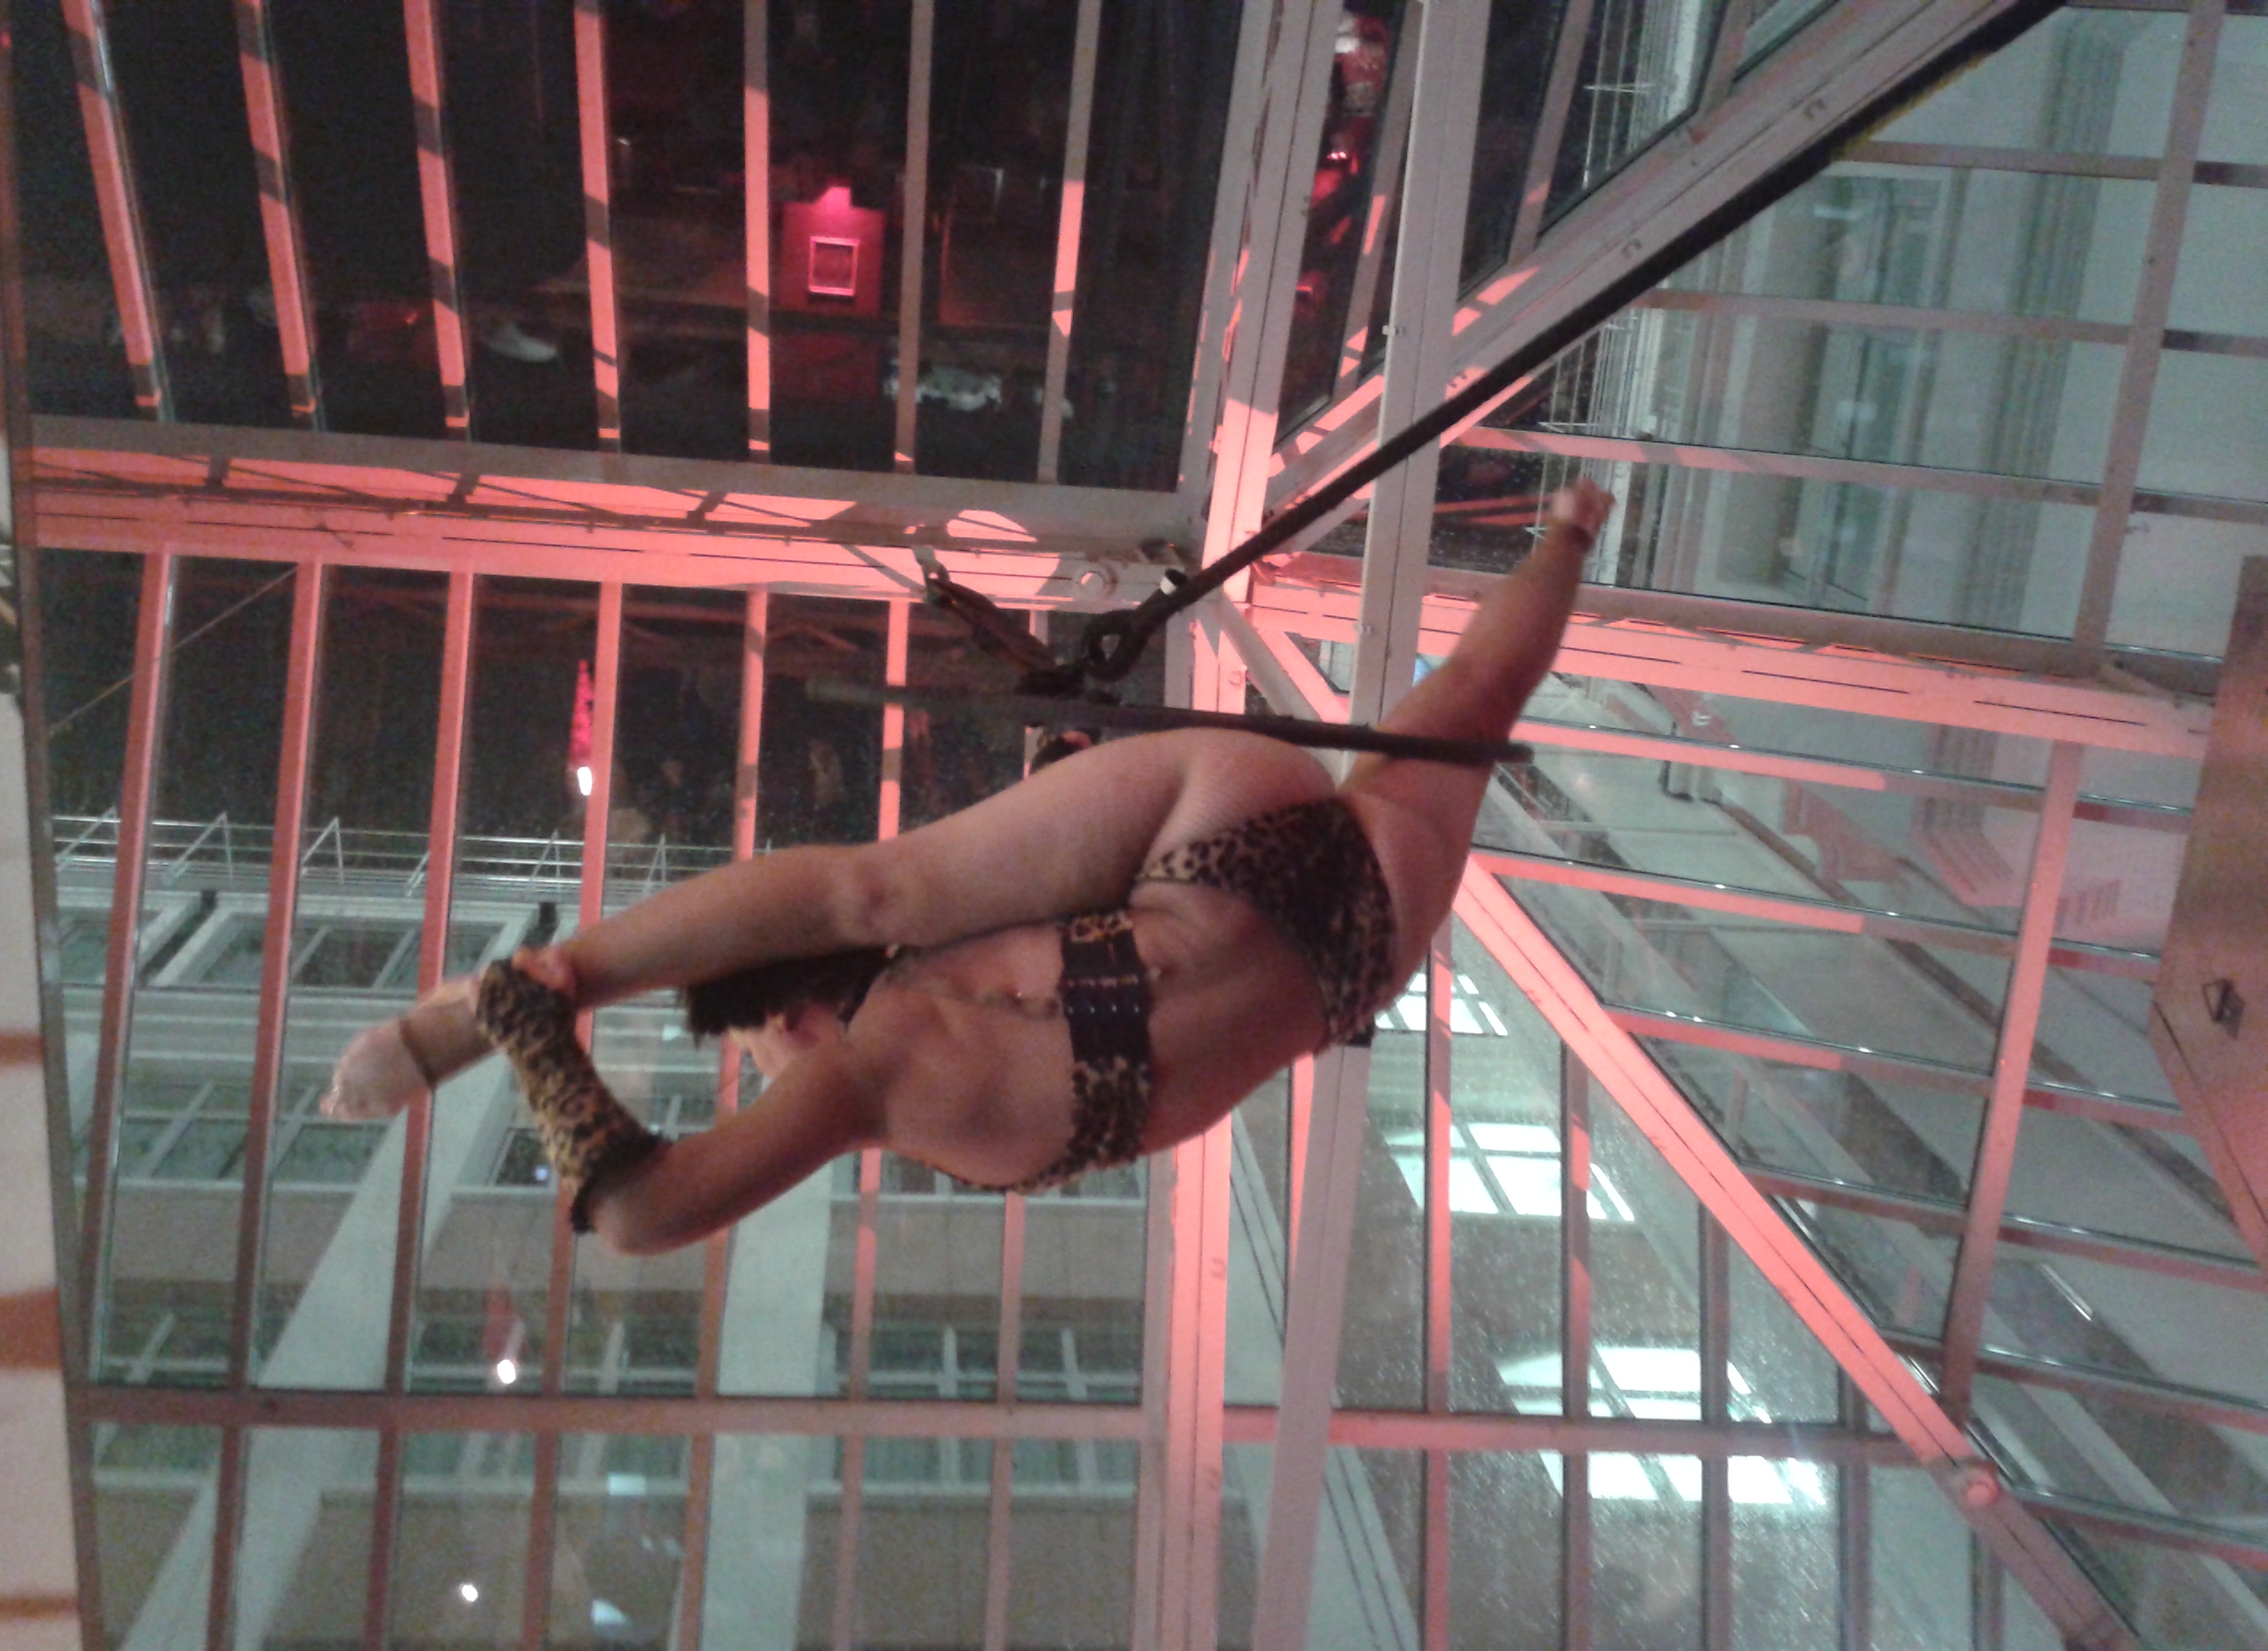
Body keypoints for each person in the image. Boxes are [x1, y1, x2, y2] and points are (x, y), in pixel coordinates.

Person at [326, 482, 1614, 1254]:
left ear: (803, 1012)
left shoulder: (904, 1097)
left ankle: (1571, 530)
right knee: (875, 885)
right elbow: (643, 1210)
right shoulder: (883, 1054)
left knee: (1476, 697)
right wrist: (514, 1019)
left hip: (1350, 958)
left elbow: (643, 1209)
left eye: (765, 1043)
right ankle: (1562, 528)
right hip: (1220, 834)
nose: (773, 1065)